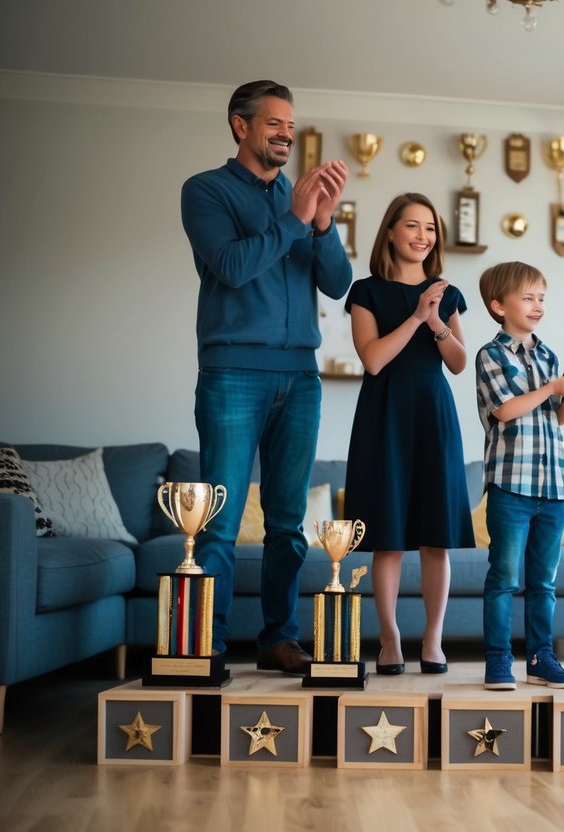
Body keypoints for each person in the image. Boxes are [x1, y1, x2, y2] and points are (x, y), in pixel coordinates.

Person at [180, 80, 352, 673]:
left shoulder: (300, 198)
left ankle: (279, 639)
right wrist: (295, 219)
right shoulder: (205, 191)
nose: (286, 133)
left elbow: (337, 283)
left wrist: (323, 225)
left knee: (288, 524)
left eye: (290, 124)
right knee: (220, 523)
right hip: (232, 373)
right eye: (274, 123)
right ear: (240, 126)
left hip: (300, 377)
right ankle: (206, 646)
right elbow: (230, 268)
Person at [343, 193, 472, 676]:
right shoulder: (365, 291)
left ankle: (434, 640)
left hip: (433, 413)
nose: (423, 236)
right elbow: (373, 359)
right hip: (384, 414)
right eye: (413, 226)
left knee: (437, 537)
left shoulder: (447, 292)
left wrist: (436, 318)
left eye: (431, 228)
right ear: (391, 232)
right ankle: (390, 637)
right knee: (388, 537)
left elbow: (459, 363)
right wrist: (417, 315)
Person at [475, 261, 564, 690]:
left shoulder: (548, 355)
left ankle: (540, 657)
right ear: (498, 306)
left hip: (552, 487)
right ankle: (497, 660)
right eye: (527, 298)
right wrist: (551, 388)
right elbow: (505, 410)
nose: (537, 306)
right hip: (512, 486)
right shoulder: (490, 355)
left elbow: (558, 417)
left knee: (544, 583)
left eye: (541, 298)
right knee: (503, 578)